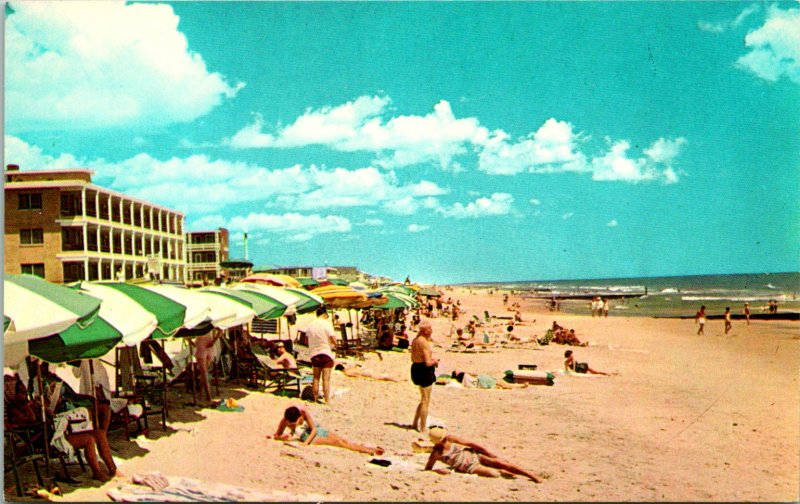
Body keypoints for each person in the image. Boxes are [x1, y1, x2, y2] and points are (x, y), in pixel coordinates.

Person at [424, 427, 542, 482]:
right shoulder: (436, 453)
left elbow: (471, 444)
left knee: (501, 463)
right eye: (443, 439)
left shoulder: (450, 439)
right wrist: (437, 471)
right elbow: (427, 469)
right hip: (469, 467)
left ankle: (530, 475)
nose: (445, 440)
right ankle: (511, 473)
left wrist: (489, 453)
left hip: (474, 455)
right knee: (495, 473)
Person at [266, 405, 384, 455]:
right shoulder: (285, 420)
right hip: (308, 438)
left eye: (294, 422)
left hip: (314, 433)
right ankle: (370, 451)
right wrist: (280, 438)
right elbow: (277, 435)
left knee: (343, 440)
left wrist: (305, 444)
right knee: (340, 444)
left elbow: (314, 429)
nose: (293, 424)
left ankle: (371, 449)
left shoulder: (303, 412)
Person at [411, 320, 439, 433]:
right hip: (424, 370)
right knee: (426, 400)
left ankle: (414, 422)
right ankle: (422, 427)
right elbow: (428, 362)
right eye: (430, 329)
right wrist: (435, 361)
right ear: (425, 331)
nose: (431, 331)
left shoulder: (415, 340)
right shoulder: (424, 343)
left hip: (416, 368)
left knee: (423, 398)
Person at [305, 306, 337, 404]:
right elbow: (334, 340)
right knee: (326, 379)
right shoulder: (327, 324)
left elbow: (306, 340)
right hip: (326, 353)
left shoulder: (310, 325)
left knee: (316, 377)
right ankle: (327, 400)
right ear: (324, 314)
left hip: (314, 354)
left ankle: (315, 399)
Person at [195, 328, 223, 403]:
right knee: (204, 372)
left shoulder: (197, 323)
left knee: (204, 372)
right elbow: (221, 331)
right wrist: (213, 341)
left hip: (201, 346)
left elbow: (187, 334)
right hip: (210, 345)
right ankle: (200, 393)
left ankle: (208, 396)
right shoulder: (210, 323)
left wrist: (190, 342)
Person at [335, 362, 400, 382]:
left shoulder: (347, 372)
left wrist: (366, 379)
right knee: (382, 375)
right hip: (366, 370)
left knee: (382, 377)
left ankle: (397, 380)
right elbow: (356, 364)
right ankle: (397, 379)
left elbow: (358, 376)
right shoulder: (349, 367)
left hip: (366, 374)